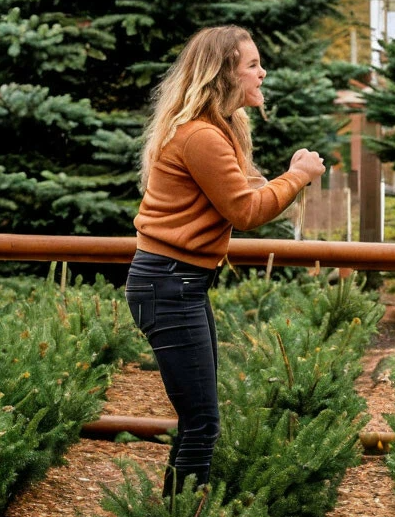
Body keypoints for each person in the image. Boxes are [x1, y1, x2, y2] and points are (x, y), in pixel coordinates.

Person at [125, 25, 325, 498]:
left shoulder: (219, 130)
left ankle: (177, 508)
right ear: (223, 73)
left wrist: (285, 179)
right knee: (201, 424)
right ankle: (179, 510)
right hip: (168, 285)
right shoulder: (201, 137)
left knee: (201, 421)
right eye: (252, 64)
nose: (262, 72)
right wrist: (297, 177)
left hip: (180, 285)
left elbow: (242, 192)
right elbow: (246, 211)